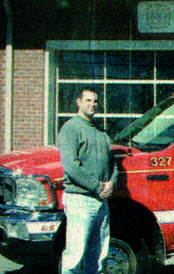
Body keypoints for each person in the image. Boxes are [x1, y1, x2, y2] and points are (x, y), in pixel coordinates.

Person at [57, 88, 118, 274]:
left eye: (95, 101)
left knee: (98, 254)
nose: (92, 104)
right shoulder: (70, 128)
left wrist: (112, 182)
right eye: (88, 100)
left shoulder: (101, 133)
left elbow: (113, 163)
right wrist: (97, 186)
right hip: (80, 200)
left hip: (101, 201)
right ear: (78, 102)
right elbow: (72, 166)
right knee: (75, 255)